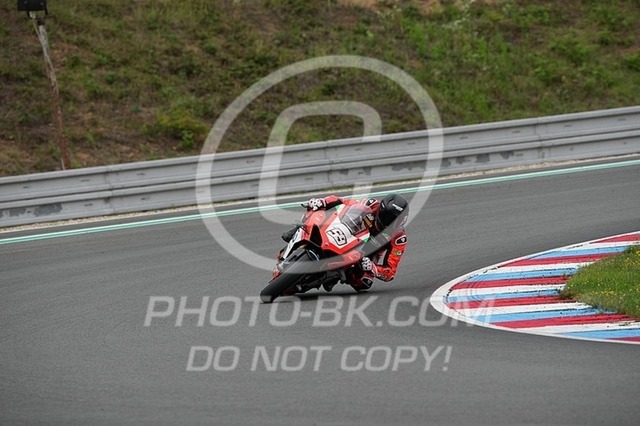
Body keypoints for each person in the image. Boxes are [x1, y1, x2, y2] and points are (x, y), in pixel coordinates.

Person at [280, 193, 409, 293]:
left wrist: (373, 268)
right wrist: (323, 201)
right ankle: (298, 231)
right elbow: (343, 202)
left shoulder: (399, 238)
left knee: (363, 282)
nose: (389, 222)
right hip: (349, 233)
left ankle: (332, 276)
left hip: (366, 253)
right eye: (387, 217)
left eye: (394, 221)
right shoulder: (371, 204)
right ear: (381, 209)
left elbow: (390, 272)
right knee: (317, 210)